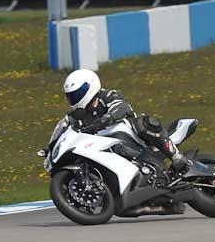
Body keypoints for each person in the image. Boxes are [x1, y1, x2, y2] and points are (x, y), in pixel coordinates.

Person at [62, 69, 191, 172]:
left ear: (91, 86)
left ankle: (176, 156)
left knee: (144, 122)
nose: (75, 98)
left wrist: (108, 118)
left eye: (78, 94)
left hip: (135, 139)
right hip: (106, 147)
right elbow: (67, 130)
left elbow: (121, 106)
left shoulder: (107, 95)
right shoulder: (78, 115)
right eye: (72, 96)